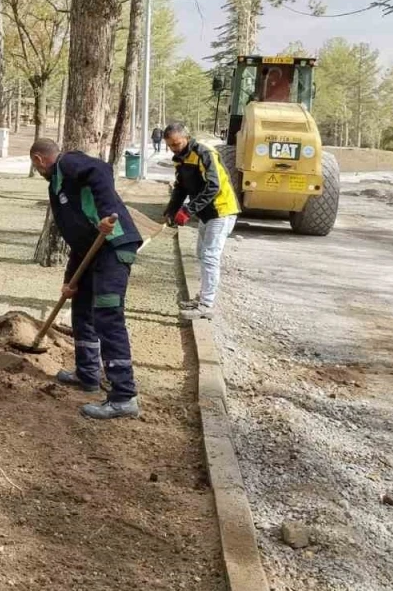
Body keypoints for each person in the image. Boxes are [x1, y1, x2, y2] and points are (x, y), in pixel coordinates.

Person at [29, 138, 144, 420]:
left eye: (35, 164)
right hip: (92, 252)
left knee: (107, 316)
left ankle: (123, 396)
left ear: (38, 160)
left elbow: (101, 170)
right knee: (81, 309)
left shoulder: (68, 163)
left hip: (114, 246)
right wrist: (71, 281)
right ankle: (87, 373)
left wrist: (108, 214)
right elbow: (80, 241)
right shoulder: (56, 184)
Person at [162, 123, 239, 320]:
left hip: (221, 210)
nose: (174, 148)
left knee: (210, 256)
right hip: (207, 214)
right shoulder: (180, 159)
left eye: (177, 144)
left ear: (186, 137)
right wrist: (172, 210)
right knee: (201, 254)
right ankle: (203, 297)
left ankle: (206, 304)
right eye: (170, 146)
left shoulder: (204, 153)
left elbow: (213, 186)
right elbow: (180, 187)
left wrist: (188, 210)